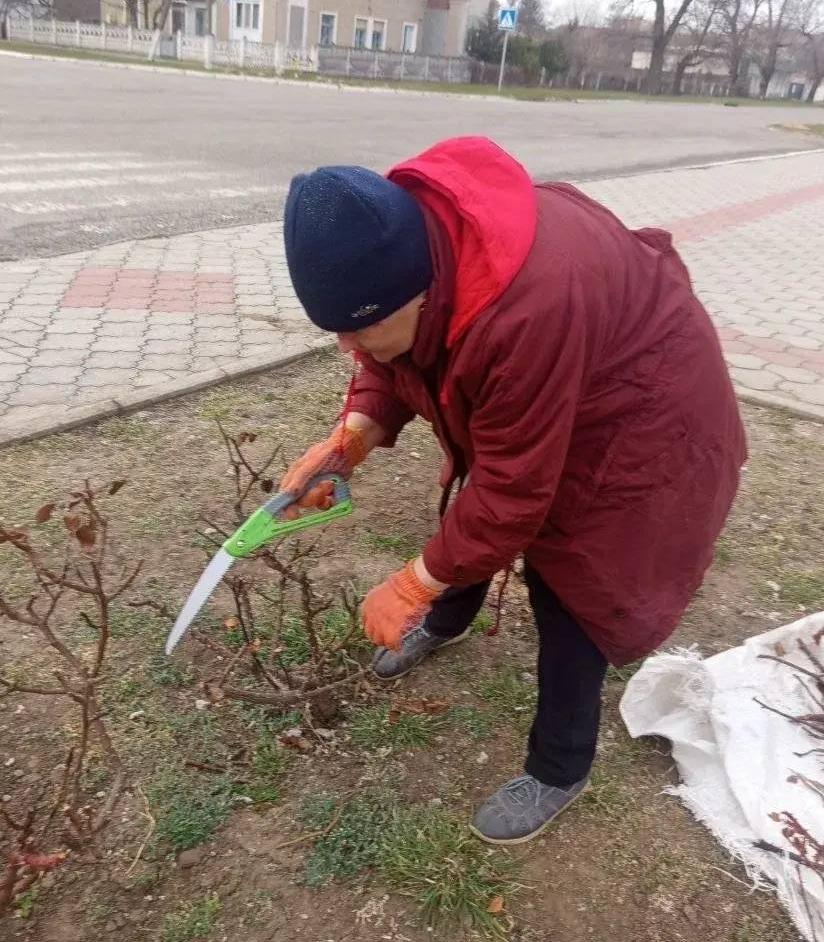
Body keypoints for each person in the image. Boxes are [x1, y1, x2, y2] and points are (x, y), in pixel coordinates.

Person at [279, 136, 747, 845]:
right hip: (561, 367)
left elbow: (511, 492)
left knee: (575, 576)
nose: (351, 350)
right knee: (485, 486)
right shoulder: (419, 245)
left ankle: (560, 765)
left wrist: (410, 580)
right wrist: (355, 435)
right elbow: (402, 356)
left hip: (642, 408)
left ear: (418, 287)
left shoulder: (526, 307)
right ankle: (447, 616)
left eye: (361, 330)